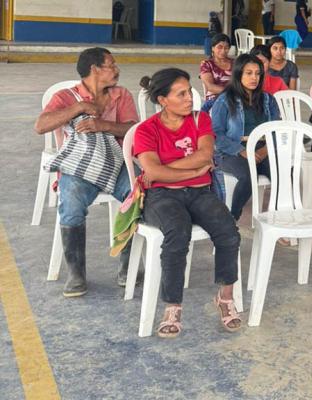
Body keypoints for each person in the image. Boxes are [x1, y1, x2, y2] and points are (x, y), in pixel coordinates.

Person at [135, 68, 242, 338]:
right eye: (180, 94)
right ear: (162, 100)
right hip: (162, 196)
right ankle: (173, 306)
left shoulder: (200, 120)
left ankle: (225, 297)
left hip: (199, 192)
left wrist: (168, 168)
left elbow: (205, 155)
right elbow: (153, 174)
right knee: (177, 233)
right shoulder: (146, 130)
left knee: (228, 230)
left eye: (189, 92)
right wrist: (190, 170)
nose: (189, 98)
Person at [34, 47, 139, 296]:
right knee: (70, 204)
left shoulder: (120, 95)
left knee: (137, 196)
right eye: (111, 65)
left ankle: (129, 266)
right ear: (95, 69)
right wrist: (78, 107)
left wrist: (102, 125)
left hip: (116, 162)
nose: (117, 70)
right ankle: (76, 273)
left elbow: (133, 130)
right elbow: (41, 126)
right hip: (79, 167)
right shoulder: (66, 96)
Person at [211, 54, 281, 221]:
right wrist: (241, 150)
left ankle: (279, 220)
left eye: (257, 74)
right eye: (248, 73)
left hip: (263, 148)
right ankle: (231, 219)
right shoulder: (225, 100)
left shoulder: (267, 100)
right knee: (249, 176)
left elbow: (277, 129)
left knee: (283, 175)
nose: (254, 78)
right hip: (232, 150)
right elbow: (216, 134)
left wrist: (266, 149)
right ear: (238, 74)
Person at [200, 33, 233, 111]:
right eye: (220, 47)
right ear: (213, 48)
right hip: (214, 99)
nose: (223, 51)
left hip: (234, 98)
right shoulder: (207, 64)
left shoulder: (235, 63)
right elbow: (210, 86)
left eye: (226, 48)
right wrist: (233, 93)